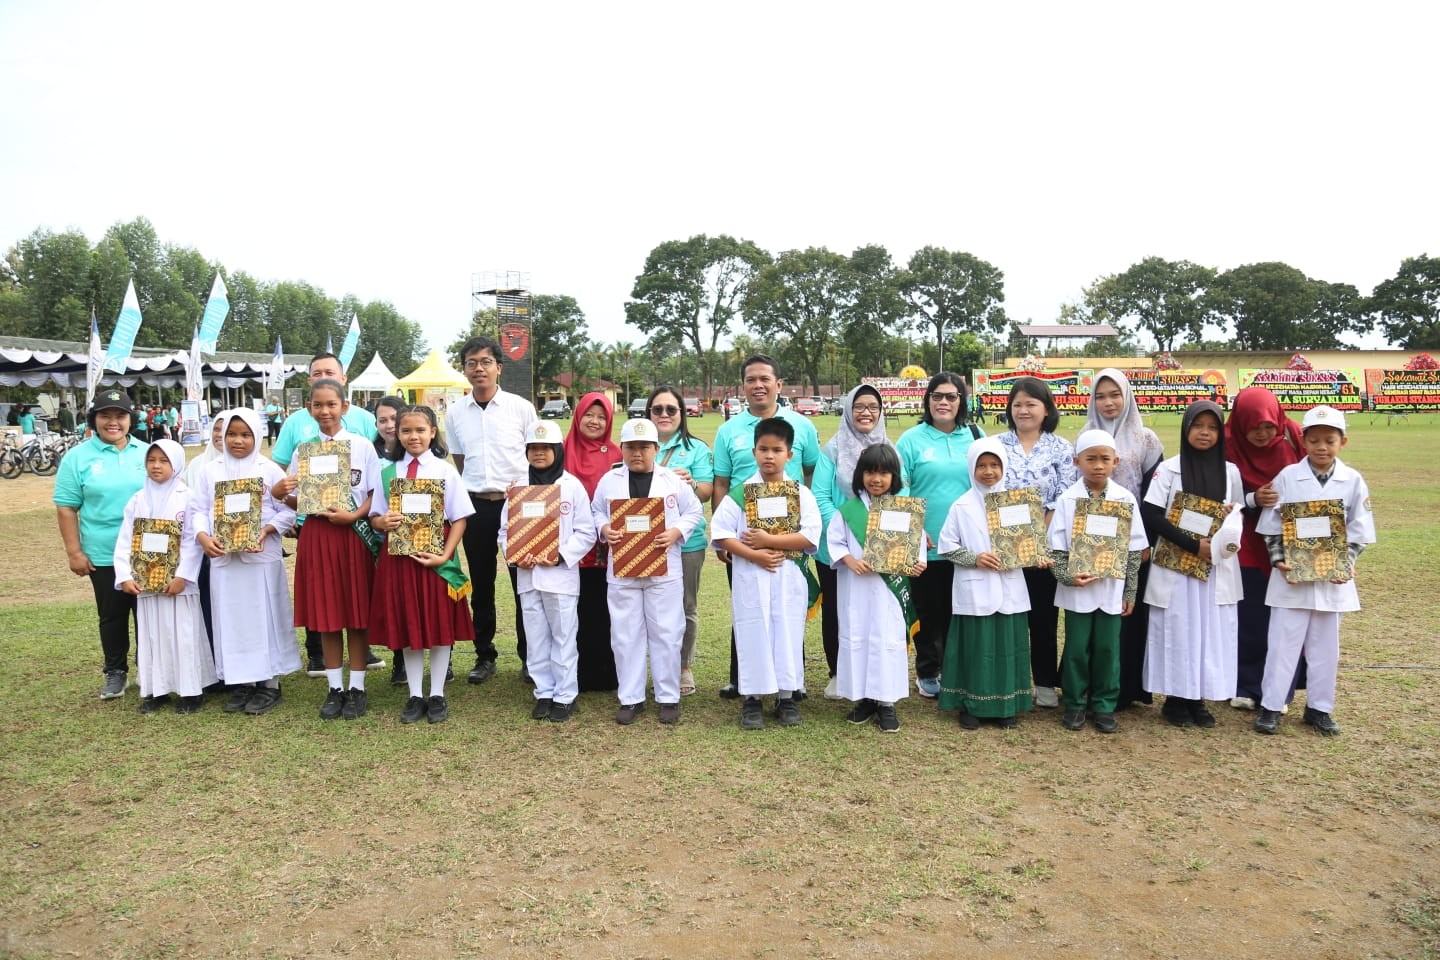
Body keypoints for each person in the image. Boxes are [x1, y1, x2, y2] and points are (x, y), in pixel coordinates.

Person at [1254, 406, 1376, 737]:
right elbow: (1271, 525)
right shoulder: (1287, 477)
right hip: (1292, 578)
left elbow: (1360, 530)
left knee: (1325, 647)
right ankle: (1271, 707)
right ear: (1303, 441)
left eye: (1330, 440)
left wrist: (1346, 563)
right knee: (1282, 644)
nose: (1322, 447)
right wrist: (1279, 557)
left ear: (1343, 442)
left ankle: (1319, 709)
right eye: (1315, 440)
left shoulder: (1352, 480)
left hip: (1332, 579)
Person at [711, 355, 820, 698]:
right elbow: (720, 516)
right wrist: (751, 552)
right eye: (763, 450)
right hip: (748, 559)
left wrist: (770, 540)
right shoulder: (730, 436)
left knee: (787, 624)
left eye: (777, 450)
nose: (769, 456)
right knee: (751, 621)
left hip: (788, 566)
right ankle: (751, 694)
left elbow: (810, 529)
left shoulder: (802, 430)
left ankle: (789, 692)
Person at [271, 379, 381, 721]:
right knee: (328, 615)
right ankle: (335, 688)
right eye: (318, 405)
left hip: (352, 535)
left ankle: (358, 687)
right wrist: (279, 494)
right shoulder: (303, 450)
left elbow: (376, 493)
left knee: (357, 614)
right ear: (309, 408)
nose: (325, 411)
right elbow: (297, 498)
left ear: (344, 407)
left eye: (331, 404)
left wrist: (354, 515)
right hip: (317, 535)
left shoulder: (362, 446)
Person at [593, 418, 704, 725]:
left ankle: (668, 696)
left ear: (656, 448)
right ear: (623, 449)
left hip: (663, 568)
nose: (637, 453)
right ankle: (631, 698)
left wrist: (676, 532)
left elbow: (694, 510)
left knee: (667, 632)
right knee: (625, 634)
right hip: (623, 570)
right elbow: (596, 509)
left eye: (644, 447)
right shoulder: (610, 480)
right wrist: (604, 528)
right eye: (631, 447)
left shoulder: (672, 481)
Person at [1141, 401, 1245, 728]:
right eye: (1198, 426)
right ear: (1186, 429)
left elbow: (1238, 511)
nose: (1204, 433)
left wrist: (1229, 522)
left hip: (1214, 567)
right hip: (1177, 566)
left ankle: (1197, 697)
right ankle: (1175, 699)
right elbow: (1152, 514)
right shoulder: (1169, 469)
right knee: (1179, 629)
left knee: (1207, 631)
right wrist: (1192, 545)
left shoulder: (1230, 472)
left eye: (1212, 427)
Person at [368, 405, 474, 725]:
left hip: (437, 559)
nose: (413, 436)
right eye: (406, 430)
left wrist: (445, 556)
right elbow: (375, 517)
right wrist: (381, 522)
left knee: (439, 627)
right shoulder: (388, 473)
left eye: (420, 430)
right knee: (409, 624)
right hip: (400, 561)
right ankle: (415, 694)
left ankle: (438, 693)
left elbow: (459, 519)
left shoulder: (444, 471)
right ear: (397, 434)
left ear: (432, 432)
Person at [191, 409, 298, 715]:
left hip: (261, 558)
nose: (238, 441)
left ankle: (269, 684)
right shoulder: (211, 470)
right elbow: (198, 508)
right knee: (232, 619)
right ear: (222, 437)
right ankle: (241, 683)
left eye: (246, 434)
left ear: (257, 436)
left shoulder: (269, 470)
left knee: (263, 617)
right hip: (225, 560)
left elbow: (289, 511)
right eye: (232, 435)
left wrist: (265, 530)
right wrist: (202, 536)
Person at [444, 336, 537, 684]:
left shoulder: (521, 408)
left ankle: (530, 657)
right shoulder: (455, 412)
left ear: (499, 367)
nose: (478, 368)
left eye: (485, 362)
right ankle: (485, 655)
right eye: (471, 362)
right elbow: (461, 461)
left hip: (516, 507)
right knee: (481, 584)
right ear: (465, 369)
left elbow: (535, 455)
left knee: (523, 583)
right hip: (476, 506)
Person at [1048, 429, 1149, 734]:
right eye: (1090, 459)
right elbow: (1056, 549)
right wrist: (1068, 577)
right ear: (1077, 461)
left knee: (1107, 648)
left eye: (1105, 459)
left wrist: (1130, 590)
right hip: (1077, 590)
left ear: (1115, 461)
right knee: (1077, 648)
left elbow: (1135, 550)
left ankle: (1104, 704)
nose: (1098, 465)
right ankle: (1076, 704)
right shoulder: (1068, 500)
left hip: (1110, 590)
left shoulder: (1124, 498)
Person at [938, 437, 1040, 730]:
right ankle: (971, 706)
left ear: (1004, 466)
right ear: (971, 468)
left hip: (1010, 587)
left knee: (1008, 647)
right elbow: (946, 546)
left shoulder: (1018, 502)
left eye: (995, 464)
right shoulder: (961, 505)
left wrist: (1032, 555)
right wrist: (975, 558)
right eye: (981, 465)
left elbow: (1030, 545)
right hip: (975, 587)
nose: (988, 471)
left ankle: (1008, 705)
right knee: (976, 648)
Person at [498, 421, 596, 722]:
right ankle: (543, 692)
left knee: (564, 635)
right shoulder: (518, 488)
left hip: (560, 577)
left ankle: (565, 695)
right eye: (533, 448)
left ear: (557, 450)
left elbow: (586, 532)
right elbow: (504, 531)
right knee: (536, 636)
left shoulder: (572, 486)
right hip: (528, 577)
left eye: (545, 448)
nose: (539, 454)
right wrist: (514, 555)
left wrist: (559, 556)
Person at [53, 390, 148, 699]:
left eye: (120, 416)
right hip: (104, 553)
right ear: (93, 419)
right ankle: (116, 672)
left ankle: (151, 670)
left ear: (130, 419)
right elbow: (67, 507)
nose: (113, 422)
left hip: (149, 552)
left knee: (149, 615)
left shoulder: (148, 453)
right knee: (112, 615)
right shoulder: (77, 458)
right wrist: (74, 552)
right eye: (105, 415)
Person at [896, 371, 985, 699]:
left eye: (951, 396)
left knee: (959, 609)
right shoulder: (911, 440)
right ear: (928, 400)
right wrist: (915, 527)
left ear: (961, 401)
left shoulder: (975, 436)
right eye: (937, 396)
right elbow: (900, 487)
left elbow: (987, 482)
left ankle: (955, 668)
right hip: (926, 542)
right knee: (928, 611)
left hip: (965, 544)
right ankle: (927, 670)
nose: (943, 402)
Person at [113, 440, 216, 713]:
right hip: (147, 584)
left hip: (178, 587)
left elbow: (194, 541)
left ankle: (191, 691)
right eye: (151, 460)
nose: (156, 466)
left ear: (176, 464)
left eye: (163, 460)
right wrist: (125, 575)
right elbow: (125, 540)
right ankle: (155, 690)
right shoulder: (137, 500)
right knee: (152, 636)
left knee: (183, 634)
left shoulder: (189, 497)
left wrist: (182, 576)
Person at [1084, 368, 1164, 711]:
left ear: (1127, 396)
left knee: (1127, 611)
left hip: (1134, 539)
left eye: (1115, 394)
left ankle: (1127, 687)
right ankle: (1090, 686)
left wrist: (1144, 542)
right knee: (1091, 612)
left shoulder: (1145, 439)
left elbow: (1154, 496)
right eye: (1100, 396)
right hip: (1090, 540)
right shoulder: (1087, 435)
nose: (1108, 402)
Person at [828, 444, 922, 733]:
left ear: (895, 476)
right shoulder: (847, 511)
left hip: (888, 594)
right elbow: (835, 541)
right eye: (870, 472)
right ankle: (864, 699)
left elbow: (916, 550)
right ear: (860, 475)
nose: (877, 479)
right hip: (855, 588)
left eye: (884, 473)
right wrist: (849, 560)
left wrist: (917, 564)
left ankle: (887, 702)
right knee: (857, 637)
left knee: (887, 641)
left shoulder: (905, 511)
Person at [1224, 387, 1306, 711]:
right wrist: (1252, 499)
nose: (1261, 434)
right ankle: (1244, 684)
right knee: (1250, 615)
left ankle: (1281, 688)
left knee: (1288, 617)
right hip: (1245, 539)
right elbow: (1220, 495)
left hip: (1292, 538)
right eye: (1254, 427)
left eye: (1268, 426)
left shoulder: (1294, 435)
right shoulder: (1228, 443)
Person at [998, 377, 1077, 709]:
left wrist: (1039, 538)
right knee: (1006, 616)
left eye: (1031, 404)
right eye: (1017, 404)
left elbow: (1066, 496)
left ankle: (1045, 682)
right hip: (1003, 546)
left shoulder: (1061, 448)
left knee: (1044, 617)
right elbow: (989, 489)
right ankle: (1009, 682)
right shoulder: (996, 445)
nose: (1023, 410)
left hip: (1047, 547)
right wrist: (1015, 541)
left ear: (1046, 409)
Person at [812, 384, 895, 700]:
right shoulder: (833, 449)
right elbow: (820, 493)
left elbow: (899, 495)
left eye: (873, 406)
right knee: (836, 609)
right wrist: (846, 529)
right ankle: (838, 672)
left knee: (876, 609)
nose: (866, 412)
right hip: (837, 548)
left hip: (879, 547)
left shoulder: (889, 448)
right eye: (858, 406)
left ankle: (873, 674)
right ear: (848, 409)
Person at [647, 386, 714, 696]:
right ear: (648, 413)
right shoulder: (637, 444)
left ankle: (683, 665)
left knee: (686, 605)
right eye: (657, 409)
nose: (664, 415)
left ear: (681, 414)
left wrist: (691, 483)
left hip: (687, 542)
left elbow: (707, 492)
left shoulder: (697, 449)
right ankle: (654, 666)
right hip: (647, 541)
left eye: (670, 410)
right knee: (647, 606)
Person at [563, 391, 620, 693]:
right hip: (569, 546)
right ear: (578, 415)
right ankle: (576, 673)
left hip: (606, 548)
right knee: (574, 610)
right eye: (589, 414)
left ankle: (606, 673)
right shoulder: (560, 450)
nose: (595, 421)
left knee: (603, 608)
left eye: (602, 416)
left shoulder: (617, 455)